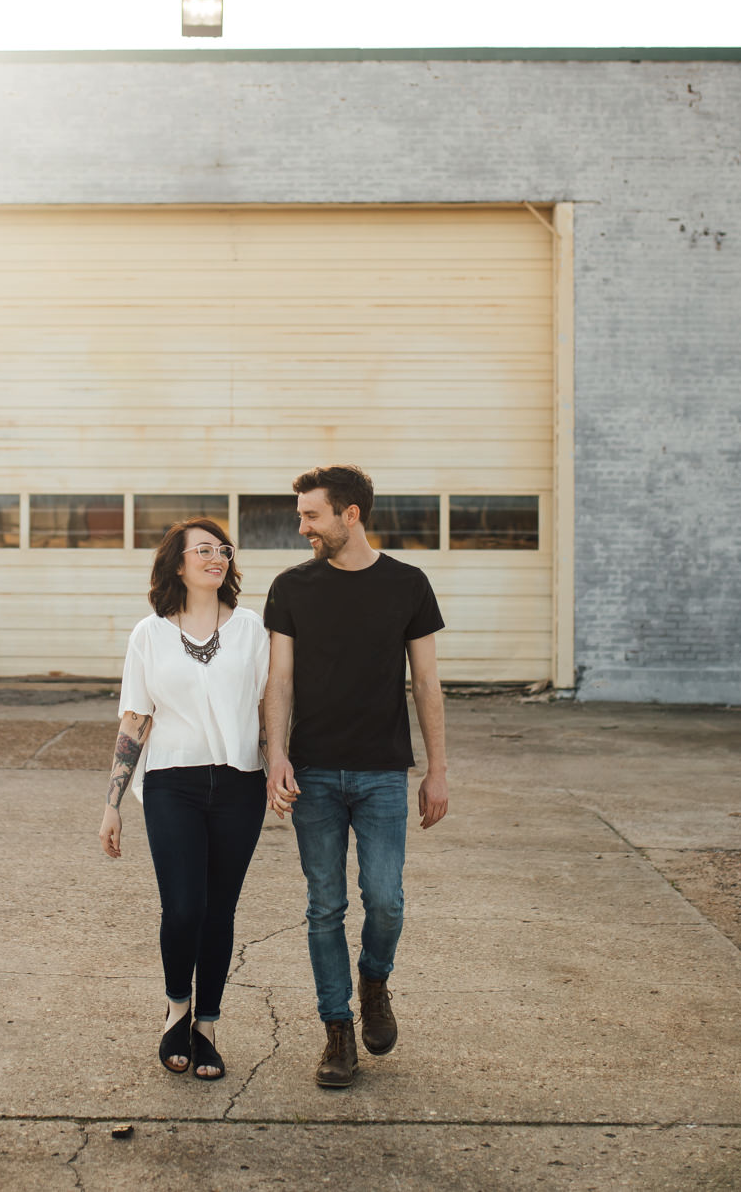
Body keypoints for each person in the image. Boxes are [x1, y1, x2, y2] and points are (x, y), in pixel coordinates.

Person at [262, 464, 449, 1088]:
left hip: (381, 775)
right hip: (311, 773)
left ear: (350, 514)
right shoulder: (291, 588)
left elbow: (426, 682)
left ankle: (374, 980)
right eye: (300, 515)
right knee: (324, 907)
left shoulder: (408, 584)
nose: (302, 526)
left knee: (386, 899)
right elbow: (279, 682)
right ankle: (337, 1031)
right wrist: (277, 757)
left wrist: (437, 770)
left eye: (311, 515)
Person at [98, 517, 270, 1081]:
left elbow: (272, 706)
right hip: (172, 783)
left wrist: (279, 769)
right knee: (185, 907)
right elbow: (135, 718)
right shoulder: (149, 634)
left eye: (222, 549)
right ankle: (177, 1007)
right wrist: (112, 803)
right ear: (178, 563)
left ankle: (208, 1027)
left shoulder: (250, 628)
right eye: (202, 550)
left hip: (240, 783)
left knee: (220, 911)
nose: (215, 557)